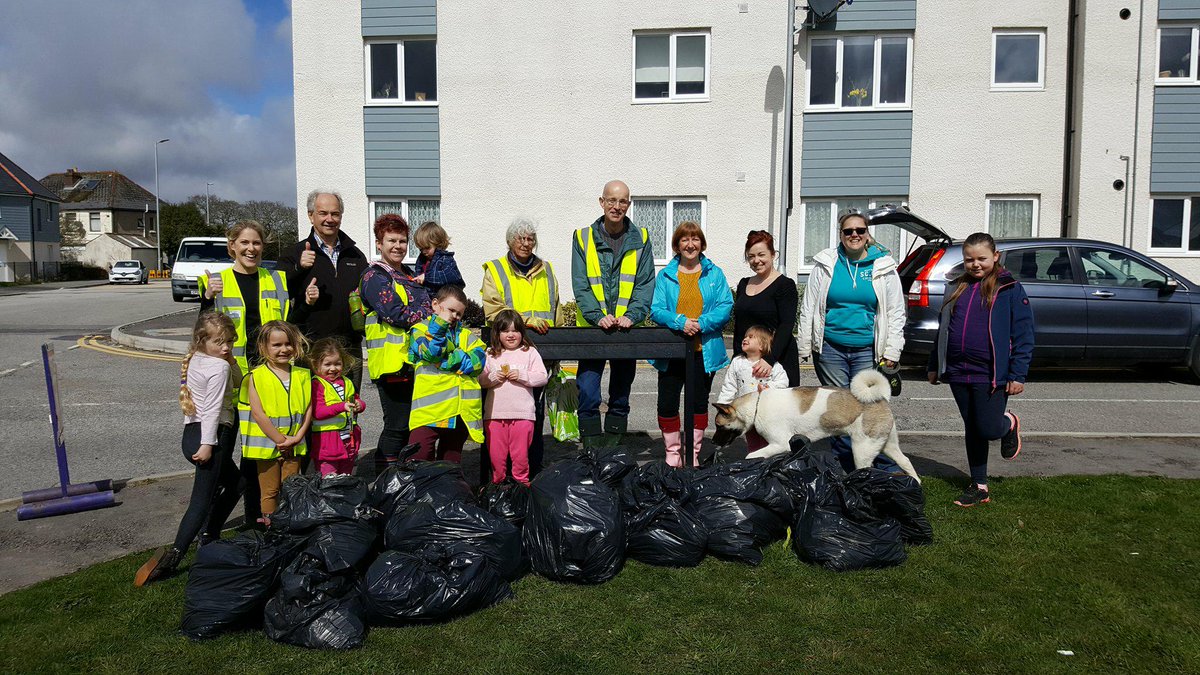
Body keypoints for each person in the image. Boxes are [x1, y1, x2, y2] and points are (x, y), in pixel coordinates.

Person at [135, 311, 243, 586]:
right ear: (202, 339)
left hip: (191, 435)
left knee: (237, 483)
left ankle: (209, 534)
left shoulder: (198, 358)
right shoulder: (218, 368)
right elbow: (212, 410)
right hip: (212, 437)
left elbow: (236, 383)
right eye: (220, 342)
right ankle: (173, 558)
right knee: (201, 500)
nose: (226, 347)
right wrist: (209, 444)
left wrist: (230, 360)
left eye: (229, 341)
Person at [198, 220, 295, 526]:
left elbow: (288, 323)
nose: (251, 249)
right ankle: (211, 520)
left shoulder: (277, 279)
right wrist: (206, 300)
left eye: (256, 243)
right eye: (244, 243)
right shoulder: (216, 281)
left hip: (268, 375)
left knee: (260, 450)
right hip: (231, 376)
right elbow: (204, 332)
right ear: (232, 246)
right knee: (226, 449)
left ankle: (257, 515)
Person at [927, 232, 1033, 507]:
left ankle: (1008, 423)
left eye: (982, 259)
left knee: (987, 428)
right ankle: (979, 484)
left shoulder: (1009, 288)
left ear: (995, 257)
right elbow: (944, 330)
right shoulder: (956, 286)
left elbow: (1024, 334)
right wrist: (934, 365)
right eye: (969, 259)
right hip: (959, 371)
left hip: (991, 372)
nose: (975, 264)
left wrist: (1017, 374)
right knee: (972, 428)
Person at [797, 211, 906, 471]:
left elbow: (896, 311)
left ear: (867, 234)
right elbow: (809, 306)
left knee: (869, 409)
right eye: (848, 231)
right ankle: (849, 470)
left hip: (868, 350)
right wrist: (804, 343)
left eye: (859, 230)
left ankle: (878, 469)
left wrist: (893, 349)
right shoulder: (826, 264)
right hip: (830, 349)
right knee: (839, 411)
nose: (854, 235)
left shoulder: (883, 266)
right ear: (841, 235)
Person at [570, 179, 655, 446]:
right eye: (611, 200)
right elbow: (580, 284)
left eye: (622, 201)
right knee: (587, 391)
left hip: (626, 329)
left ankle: (612, 452)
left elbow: (645, 283)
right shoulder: (582, 237)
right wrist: (597, 315)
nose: (616, 206)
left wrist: (635, 314)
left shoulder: (641, 238)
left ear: (628, 204)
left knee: (620, 394)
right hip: (594, 330)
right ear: (602, 202)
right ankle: (591, 452)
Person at [649, 221, 732, 467]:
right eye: (684, 239)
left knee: (698, 403)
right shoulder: (665, 275)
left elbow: (725, 306)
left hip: (703, 350)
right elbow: (656, 310)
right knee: (667, 402)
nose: (690, 244)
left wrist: (702, 323)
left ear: (701, 243)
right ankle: (673, 453)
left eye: (695, 239)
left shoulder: (714, 273)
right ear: (677, 245)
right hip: (672, 351)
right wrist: (680, 321)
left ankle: (692, 454)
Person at [480, 217, 560, 474]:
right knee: (498, 419)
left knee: (533, 416)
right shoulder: (495, 269)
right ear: (509, 241)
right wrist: (526, 321)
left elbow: (556, 309)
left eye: (530, 239)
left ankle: (531, 470)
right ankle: (496, 475)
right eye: (520, 238)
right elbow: (493, 310)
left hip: (540, 353)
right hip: (505, 352)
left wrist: (558, 349)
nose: (526, 244)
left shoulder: (546, 268)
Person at [359, 213, 432, 469]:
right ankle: (384, 480)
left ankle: (402, 478)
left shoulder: (411, 274)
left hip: (416, 361)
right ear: (379, 243)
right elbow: (395, 313)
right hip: (392, 364)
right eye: (391, 240)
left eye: (402, 241)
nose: (397, 246)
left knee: (413, 424)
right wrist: (430, 314)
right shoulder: (374, 276)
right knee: (397, 426)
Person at [279, 190, 369, 390]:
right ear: (311, 216)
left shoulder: (355, 255)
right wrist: (298, 268)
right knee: (311, 410)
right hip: (311, 347)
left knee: (348, 409)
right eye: (323, 213)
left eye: (335, 214)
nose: (330, 219)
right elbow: (278, 293)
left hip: (349, 347)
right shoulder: (295, 253)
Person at [238, 320, 313, 524]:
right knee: (270, 491)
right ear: (264, 347)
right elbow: (258, 413)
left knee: (292, 488)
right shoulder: (256, 376)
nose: (284, 349)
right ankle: (271, 527)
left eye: (288, 344)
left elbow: (308, 409)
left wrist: (297, 438)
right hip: (268, 447)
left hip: (294, 445)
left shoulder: (303, 375)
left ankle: (289, 525)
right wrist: (281, 440)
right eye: (277, 345)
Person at [408, 284, 488, 462]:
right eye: (451, 310)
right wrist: (440, 326)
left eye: (459, 314)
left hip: (459, 412)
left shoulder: (468, 336)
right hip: (429, 411)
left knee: (450, 462)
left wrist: (446, 360)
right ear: (435, 304)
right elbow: (430, 352)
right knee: (418, 459)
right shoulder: (420, 330)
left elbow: (478, 363)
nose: (454, 316)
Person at [479, 309, 548, 485]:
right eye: (505, 331)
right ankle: (497, 486)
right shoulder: (490, 353)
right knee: (496, 457)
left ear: (521, 333)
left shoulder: (530, 352)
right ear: (497, 333)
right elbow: (480, 380)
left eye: (515, 330)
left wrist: (522, 375)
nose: (511, 335)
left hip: (523, 415)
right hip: (494, 416)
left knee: (520, 457)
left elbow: (542, 377)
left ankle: (522, 485)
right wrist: (494, 377)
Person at [733, 230, 801, 386]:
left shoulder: (785, 285)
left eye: (761, 255)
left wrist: (769, 359)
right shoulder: (744, 284)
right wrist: (737, 358)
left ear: (773, 254)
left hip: (777, 360)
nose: (756, 260)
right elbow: (739, 326)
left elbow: (786, 325)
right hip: (748, 361)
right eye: (751, 256)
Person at [716, 325, 790, 454]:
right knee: (753, 442)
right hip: (747, 415)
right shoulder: (737, 362)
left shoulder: (772, 365)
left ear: (762, 345)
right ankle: (755, 464)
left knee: (769, 442)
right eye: (745, 336)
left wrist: (769, 388)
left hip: (769, 414)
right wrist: (723, 405)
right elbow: (729, 385)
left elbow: (783, 382)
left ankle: (768, 465)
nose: (745, 339)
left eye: (751, 337)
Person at [309, 338, 366, 476]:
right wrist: (341, 406)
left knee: (345, 479)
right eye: (327, 364)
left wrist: (360, 405)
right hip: (327, 443)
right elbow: (317, 412)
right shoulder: (317, 384)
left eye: (337, 364)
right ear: (316, 364)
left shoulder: (347, 382)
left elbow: (355, 399)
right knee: (329, 482)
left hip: (348, 441)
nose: (333, 368)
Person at [412, 221, 465, 294]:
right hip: (428, 299)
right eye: (421, 249)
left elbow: (450, 277)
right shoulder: (422, 260)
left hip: (445, 298)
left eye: (427, 248)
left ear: (438, 244)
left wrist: (426, 277)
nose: (424, 252)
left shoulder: (445, 259)